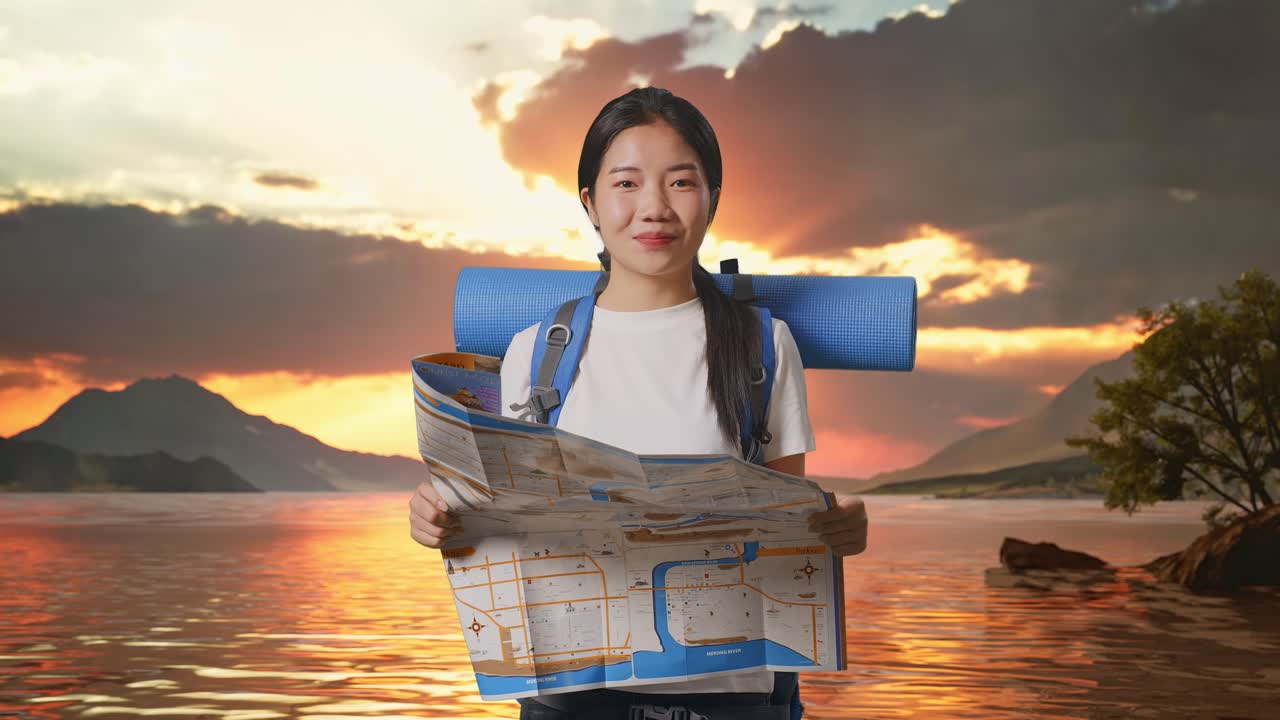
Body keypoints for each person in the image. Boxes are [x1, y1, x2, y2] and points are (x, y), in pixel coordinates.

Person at [409, 86, 868, 719]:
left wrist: (839, 529)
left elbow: (787, 529)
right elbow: (505, 522)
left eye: (681, 182)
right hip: (572, 695)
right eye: (626, 184)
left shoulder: (763, 346)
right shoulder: (536, 353)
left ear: (712, 199)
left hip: (728, 696)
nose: (653, 208)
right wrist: (439, 518)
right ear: (590, 203)